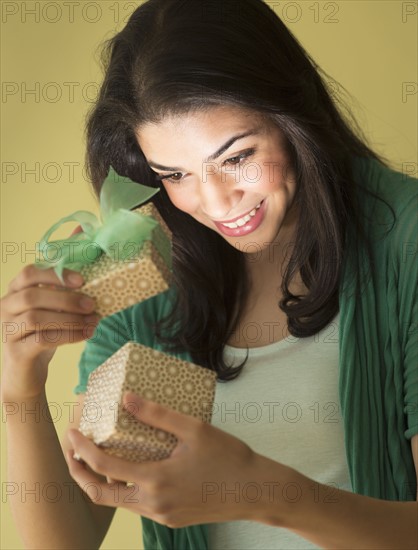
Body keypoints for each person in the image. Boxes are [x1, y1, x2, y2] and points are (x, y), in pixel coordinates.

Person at [1, 0, 417, 548]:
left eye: (238, 156)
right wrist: (19, 392)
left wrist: (259, 492)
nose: (216, 202)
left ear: (294, 114)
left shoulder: (403, 242)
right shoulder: (145, 272)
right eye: (175, 173)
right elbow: (67, 541)